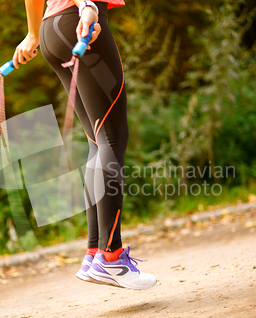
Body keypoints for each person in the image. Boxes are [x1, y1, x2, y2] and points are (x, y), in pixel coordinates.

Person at [13, 0, 156, 290]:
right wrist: (87, 5)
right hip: (80, 20)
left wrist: (32, 32)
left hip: (50, 29)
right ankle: (111, 256)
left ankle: (94, 253)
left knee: (97, 142)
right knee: (112, 139)